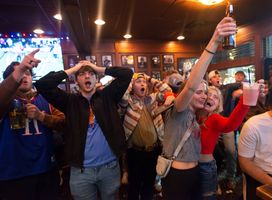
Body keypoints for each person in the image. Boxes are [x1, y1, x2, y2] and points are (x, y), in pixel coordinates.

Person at [161, 16, 237, 200]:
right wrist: (215, 40)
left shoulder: (199, 116)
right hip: (177, 177)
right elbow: (190, 87)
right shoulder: (178, 110)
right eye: (199, 92)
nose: (203, 95)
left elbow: (227, 125)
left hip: (196, 173)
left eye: (206, 92)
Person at [35, 61, 133, 200]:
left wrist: (97, 68)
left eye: (91, 74)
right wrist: (73, 69)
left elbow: (126, 74)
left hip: (109, 168)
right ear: (76, 81)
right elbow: (42, 84)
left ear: (96, 79)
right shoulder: (69, 101)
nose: (87, 76)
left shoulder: (108, 96)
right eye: (82, 74)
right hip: (81, 171)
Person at [0, 49, 65, 200]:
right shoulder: (5, 102)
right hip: (14, 176)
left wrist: (41, 116)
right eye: (19, 73)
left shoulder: (44, 98)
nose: (24, 76)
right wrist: (21, 68)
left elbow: (64, 124)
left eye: (28, 73)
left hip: (46, 170)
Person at [118, 72, 173, 200]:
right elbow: (123, 95)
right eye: (138, 82)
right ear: (132, 85)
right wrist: (131, 81)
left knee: (148, 186)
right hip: (135, 153)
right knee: (134, 186)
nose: (142, 84)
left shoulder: (153, 98)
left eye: (144, 82)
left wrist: (148, 78)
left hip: (154, 151)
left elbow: (167, 89)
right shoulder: (129, 102)